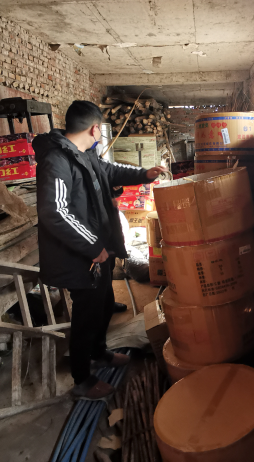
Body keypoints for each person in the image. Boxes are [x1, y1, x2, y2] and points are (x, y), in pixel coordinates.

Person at [33, 100, 165, 399]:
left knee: (105, 303)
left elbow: (110, 171)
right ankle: (82, 379)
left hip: (97, 250)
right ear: (95, 128)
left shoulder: (85, 154)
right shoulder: (57, 160)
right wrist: (92, 246)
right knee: (87, 315)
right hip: (78, 255)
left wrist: (144, 175)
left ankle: (99, 352)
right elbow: (55, 212)